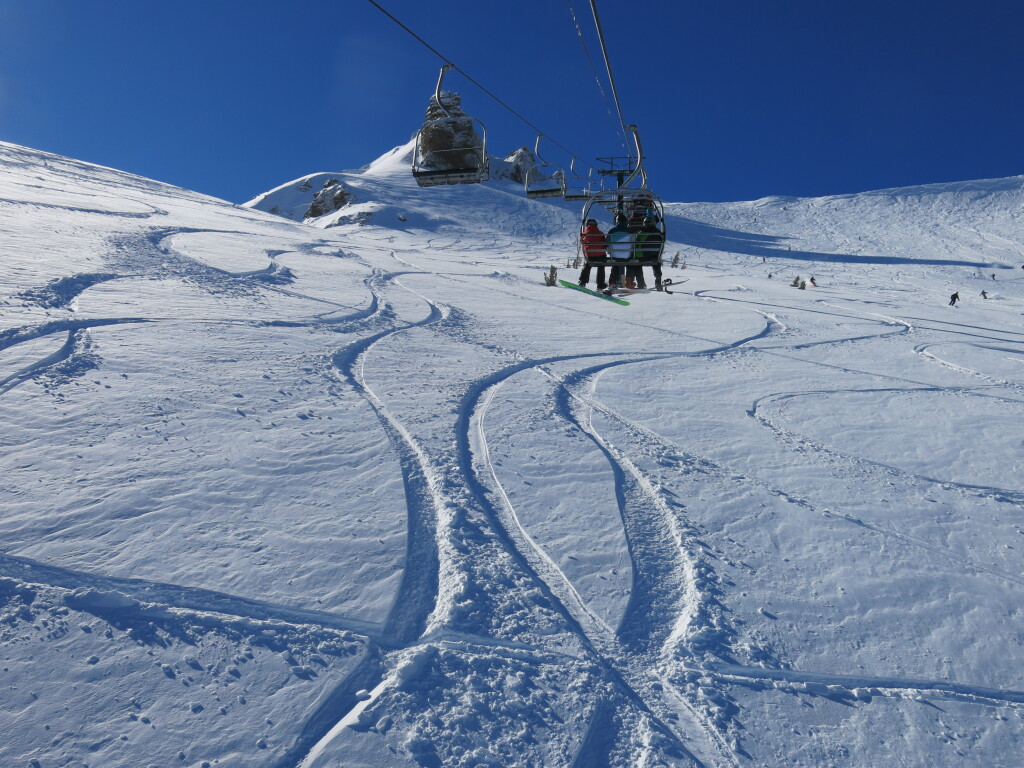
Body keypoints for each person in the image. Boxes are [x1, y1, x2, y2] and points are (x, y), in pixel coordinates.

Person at [605, 213, 635, 289]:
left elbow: (607, 242)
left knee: (615, 267)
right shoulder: (630, 231)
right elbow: (634, 243)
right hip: (627, 255)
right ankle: (629, 283)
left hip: (615, 255)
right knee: (630, 265)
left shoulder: (612, 231)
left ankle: (612, 283)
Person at [634, 215, 665, 289]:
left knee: (637, 265)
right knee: (657, 264)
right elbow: (662, 243)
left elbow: (636, 244)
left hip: (642, 256)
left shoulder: (640, 233)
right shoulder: (658, 233)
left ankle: (641, 283)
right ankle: (658, 282)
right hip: (654, 256)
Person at [578, 219, 608, 290]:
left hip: (590, 256)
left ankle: (583, 282)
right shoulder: (601, 233)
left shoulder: (585, 233)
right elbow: (604, 245)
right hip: (600, 256)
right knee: (601, 265)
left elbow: (582, 242)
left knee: (588, 264)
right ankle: (600, 284)